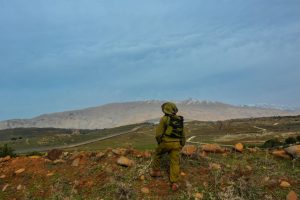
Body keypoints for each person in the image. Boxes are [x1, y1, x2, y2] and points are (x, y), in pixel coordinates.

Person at [150, 102, 186, 191]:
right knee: (175, 162)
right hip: (177, 144)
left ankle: (155, 171)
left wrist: (160, 143)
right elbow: (183, 134)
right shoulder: (179, 119)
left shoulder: (164, 119)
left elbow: (158, 134)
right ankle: (174, 182)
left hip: (166, 143)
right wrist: (181, 144)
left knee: (158, 154)